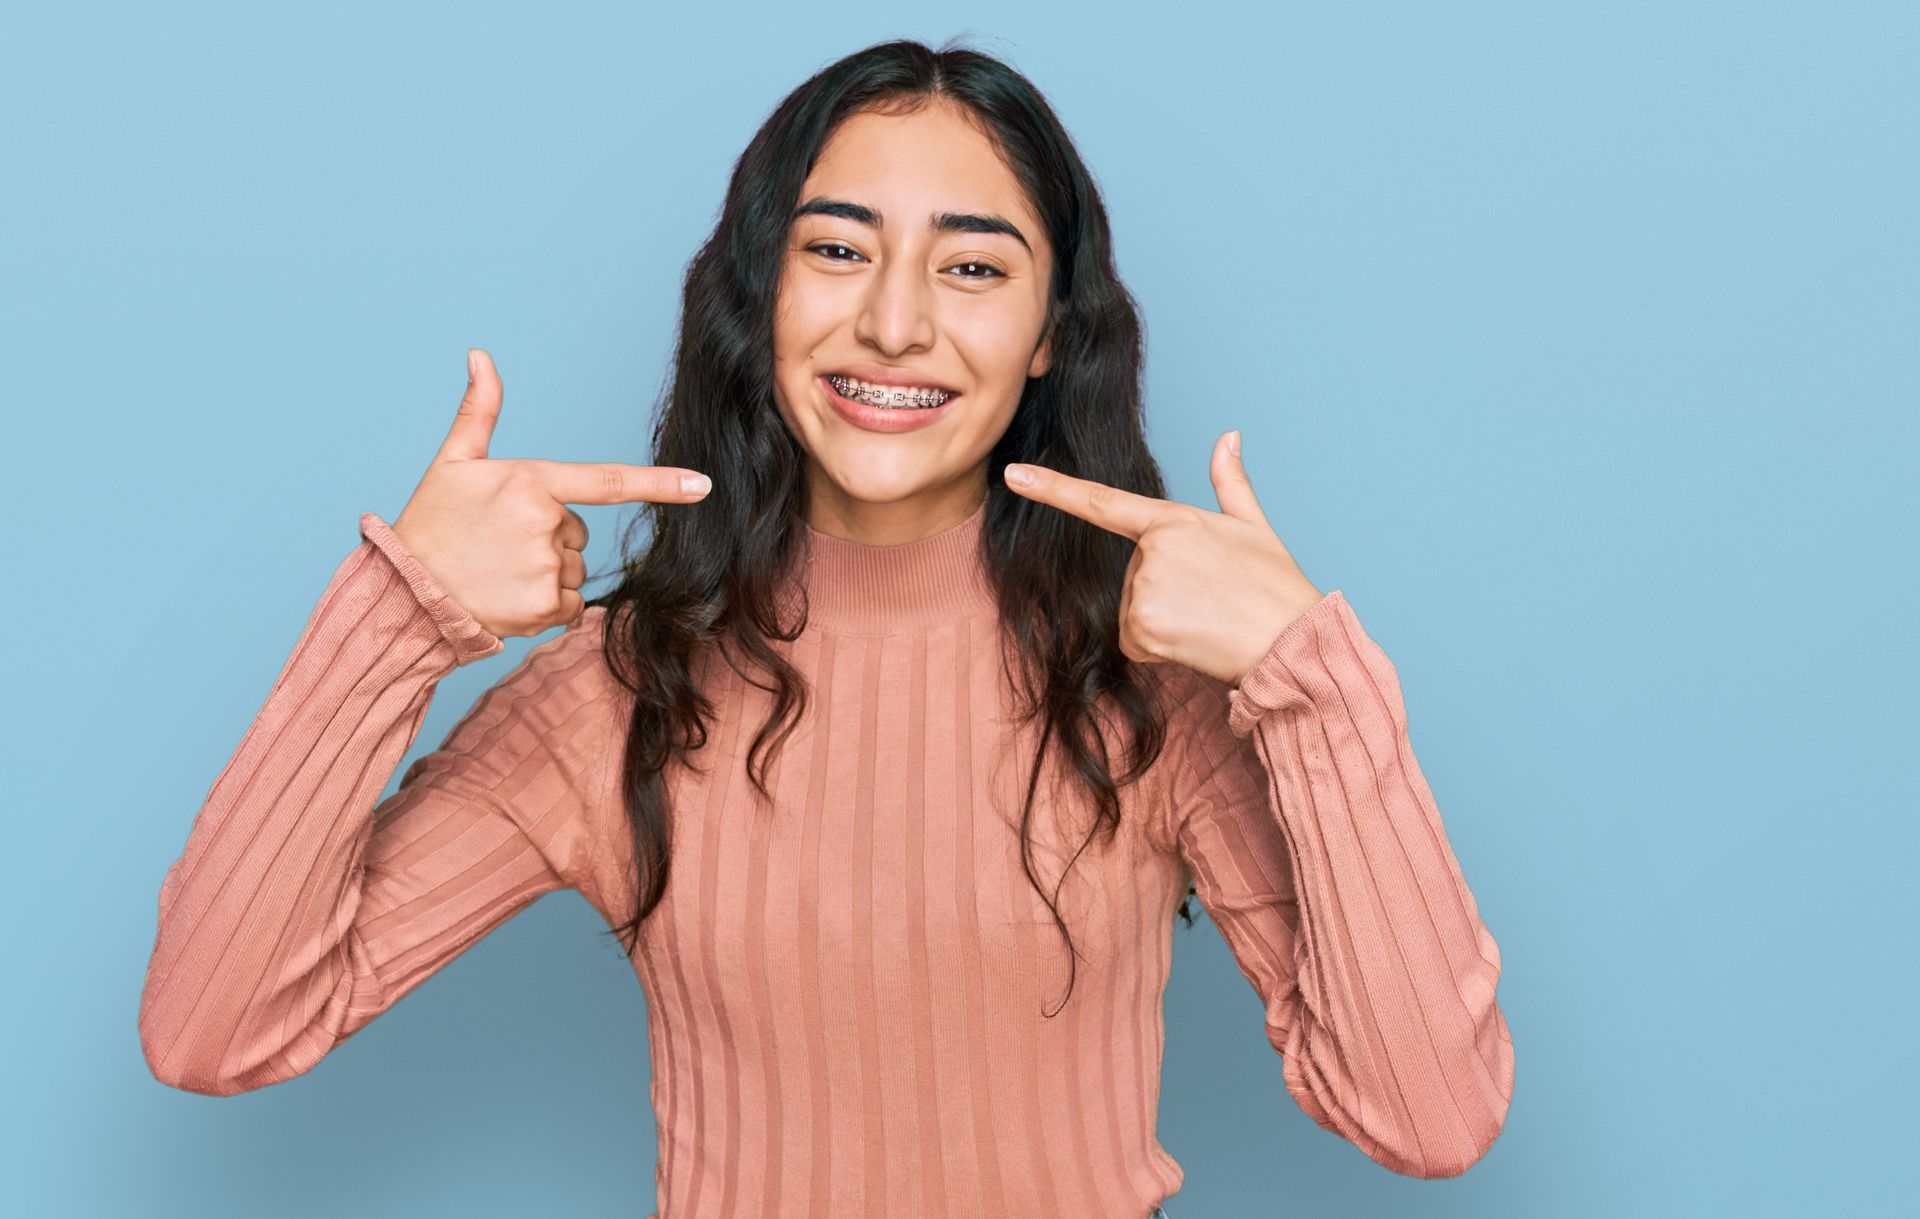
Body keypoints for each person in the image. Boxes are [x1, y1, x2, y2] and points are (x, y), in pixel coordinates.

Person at [138, 37, 1513, 1218]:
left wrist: (1309, 683)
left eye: (972, 269)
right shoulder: (623, 691)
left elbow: (1428, 1118)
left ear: (1049, 334)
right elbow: (216, 1029)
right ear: (761, 297)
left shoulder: (1151, 686)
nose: (896, 322)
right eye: (838, 251)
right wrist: (398, 620)